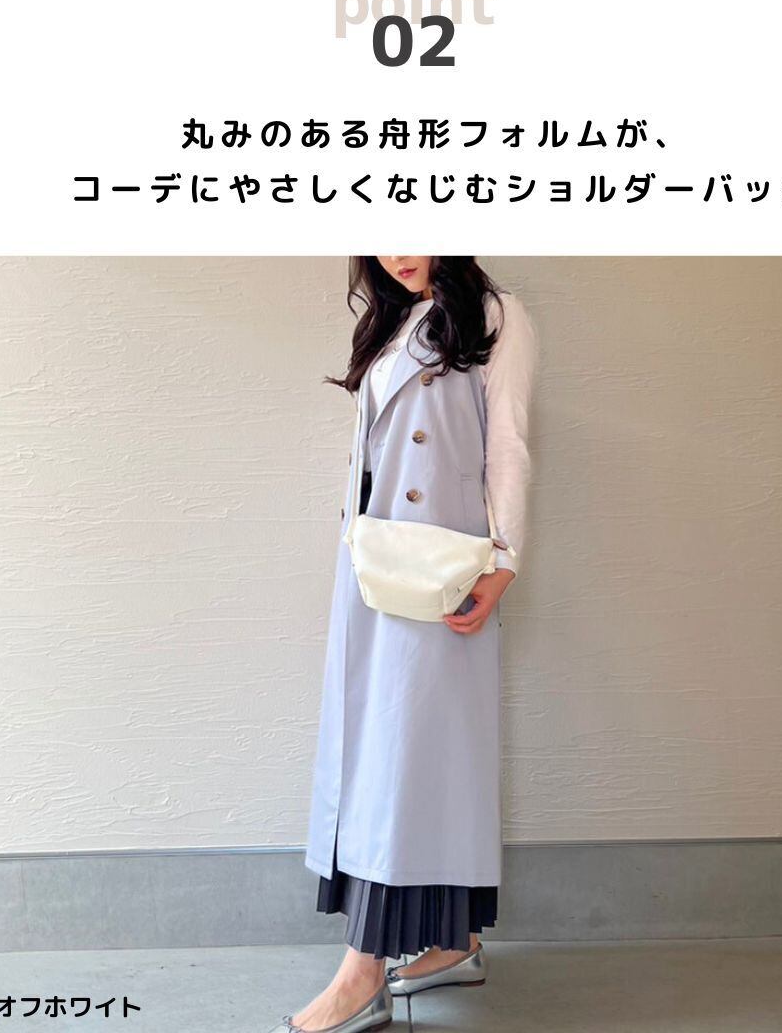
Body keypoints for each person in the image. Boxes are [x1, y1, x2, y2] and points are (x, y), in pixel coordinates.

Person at [268, 256, 537, 1033]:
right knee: (389, 758)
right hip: (375, 569)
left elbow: (508, 445)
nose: (398, 249)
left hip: (440, 573)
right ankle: (454, 941)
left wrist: (506, 561)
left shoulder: (498, 316)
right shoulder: (390, 319)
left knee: (408, 766)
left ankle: (362, 974)